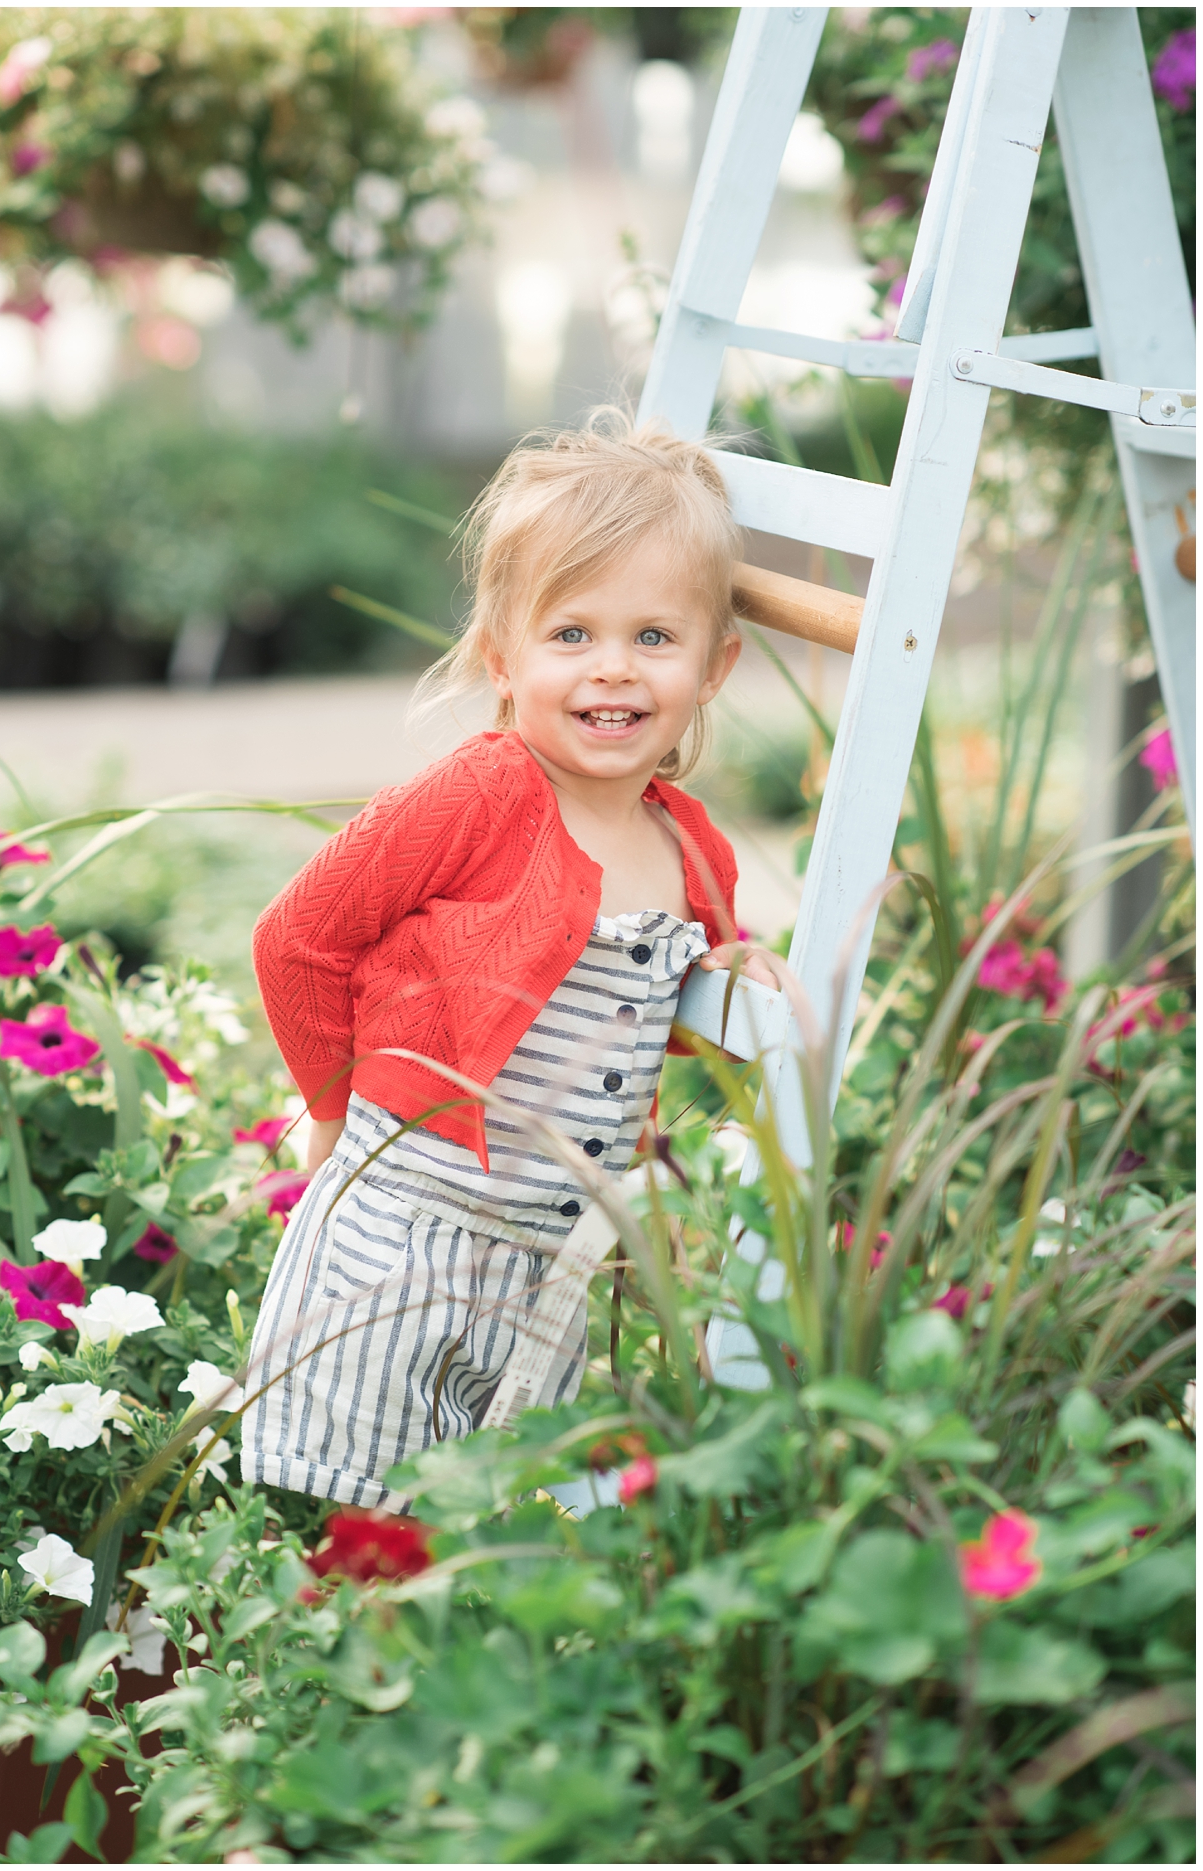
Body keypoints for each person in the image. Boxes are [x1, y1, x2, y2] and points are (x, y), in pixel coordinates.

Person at [240, 411, 781, 1513]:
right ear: (503, 655)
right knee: (353, 1497)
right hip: (408, 1219)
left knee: (486, 1512)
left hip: (548, 1258)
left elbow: (644, 1008)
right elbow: (297, 936)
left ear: (714, 664)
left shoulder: (690, 845)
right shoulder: (481, 794)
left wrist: (737, 968)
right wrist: (335, 1109)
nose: (612, 672)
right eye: (571, 635)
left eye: (653, 638)